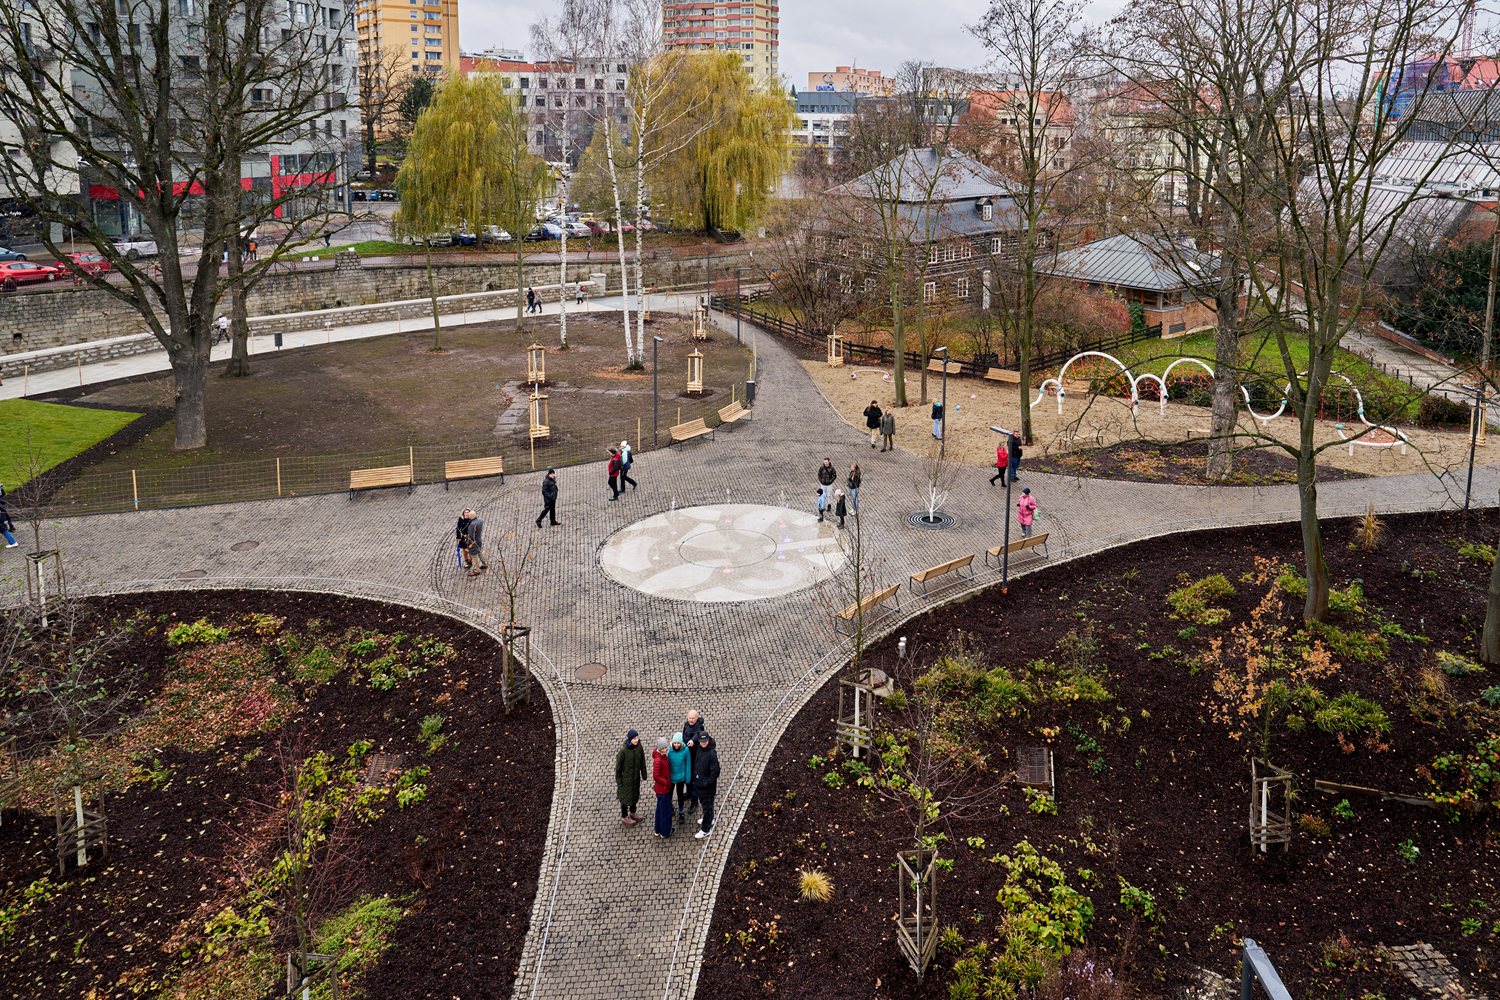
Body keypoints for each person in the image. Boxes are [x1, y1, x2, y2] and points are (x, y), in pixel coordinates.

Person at [691, 732, 720, 840]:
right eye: (702, 741)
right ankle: (709, 819)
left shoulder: (711, 753)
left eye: (705, 741)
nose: (703, 743)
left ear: (708, 740)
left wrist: (706, 783)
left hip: (707, 787)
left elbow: (715, 771)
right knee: (707, 805)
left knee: (707, 806)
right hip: (699, 784)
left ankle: (705, 829)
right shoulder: (699, 748)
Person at [615, 729, 647, 826]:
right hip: (625, 780)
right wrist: (619, 781)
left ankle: (633, 812)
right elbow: (618, 768)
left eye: (637, 737)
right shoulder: (623, 751)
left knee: (634, 795)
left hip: (635, 778)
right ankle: (624, 816)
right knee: (624, 798)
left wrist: (644, 774)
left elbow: (642, 761)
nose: (636, 740)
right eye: (634, 738)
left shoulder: (639, 748)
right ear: (629, 739)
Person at [682, 710, 706, 813]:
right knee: (688, 776)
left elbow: (697, 734)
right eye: (689, 718)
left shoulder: (699, 726)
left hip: (695, 757)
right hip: (687, 756)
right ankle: (688, 793)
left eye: (693, 718)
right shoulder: (686, 724)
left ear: (697, 718)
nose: (691, 720)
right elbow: (683, 734)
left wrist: (692, 740)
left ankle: (694, 802)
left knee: (694, 779)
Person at [652, 736, 674, 838]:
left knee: (660, 810)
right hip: (663, 790)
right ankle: (665, 832)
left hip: (660, 790)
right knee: (665, 811)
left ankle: (658, 829)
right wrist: (666, 782)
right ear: (660, 749)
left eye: (666, 748)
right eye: (663, 748)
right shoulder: (659, 760)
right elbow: (656, 776)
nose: (665, 750)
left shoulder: (660, 755)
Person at [669, 732, 692, 826]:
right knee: (669, 794)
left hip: (681, 778)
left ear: (681, 742)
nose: (676, 745)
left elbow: (688, 764)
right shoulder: (669, 751)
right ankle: (670, 807)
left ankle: (681, 812)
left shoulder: (686, 751)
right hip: (670, 778)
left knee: (680, 796)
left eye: (678, 743)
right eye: (675, 743)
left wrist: (688, 778)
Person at [0, 483, 17, 548]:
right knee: (4, 530)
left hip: (1, 518)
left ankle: (13, 542)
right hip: (2, 516)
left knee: (4, 530)